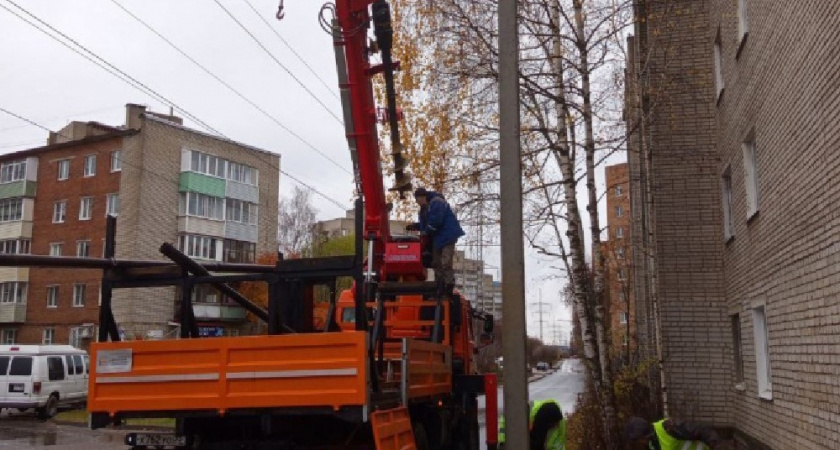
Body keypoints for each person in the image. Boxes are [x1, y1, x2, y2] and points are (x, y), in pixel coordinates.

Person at [405, 188, 464, 299]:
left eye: (417, 200)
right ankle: (439, 285)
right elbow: (426, 224)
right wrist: (415, 226)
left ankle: (448, 286)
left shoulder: (437, 202)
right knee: (436, 262)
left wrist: (426, 232)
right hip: (438, 237)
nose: (417, 203)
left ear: (422, 197)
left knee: (445, 262)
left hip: (448, 235)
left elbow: (436, 221)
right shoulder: (425, 209)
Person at [498, 400, 566, 450]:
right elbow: (507, 418)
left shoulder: (559, 423)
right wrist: (503, 443)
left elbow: (558, 446)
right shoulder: (525, 412)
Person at [625, 416, 721, 450]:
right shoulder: (652, 445)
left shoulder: (668, 427)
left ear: (643, 436)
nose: (638, 444)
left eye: (637, 441)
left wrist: (716, 446)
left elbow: (702, 430)